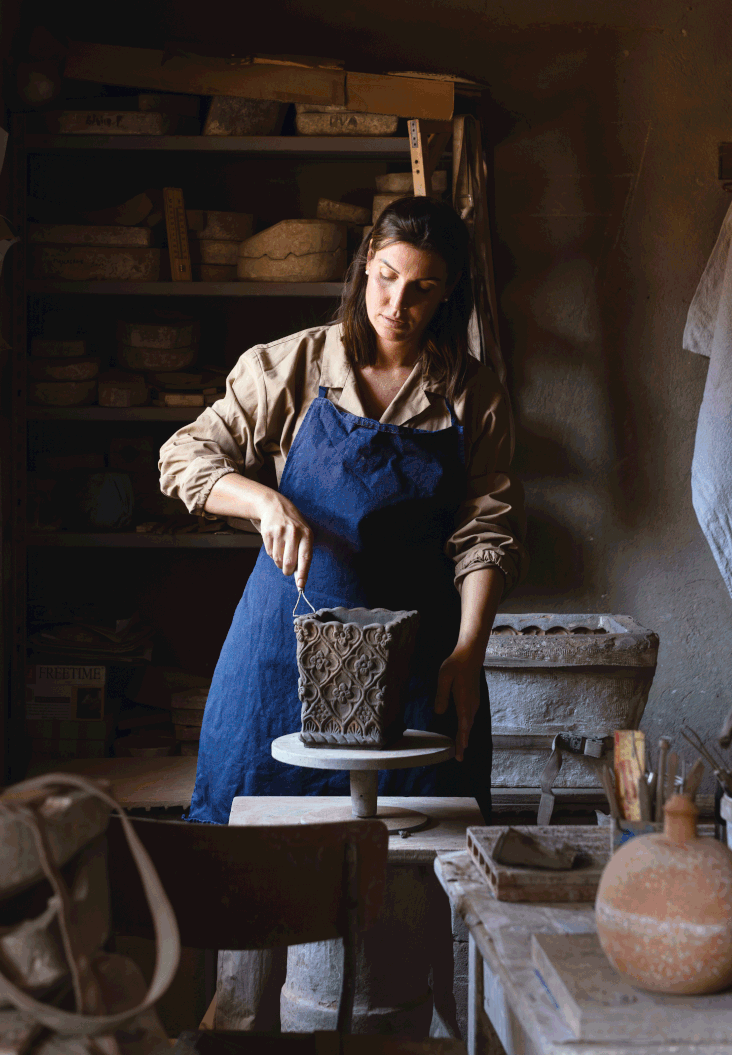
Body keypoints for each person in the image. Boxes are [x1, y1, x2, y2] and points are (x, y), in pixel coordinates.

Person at [158, 196, 527, 827]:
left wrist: (470, 649)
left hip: (418, 669)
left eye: (422, 289)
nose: (396, 305)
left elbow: (486, 533)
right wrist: (262, 501)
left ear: (448, 294)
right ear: (364, 268)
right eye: (385, 278)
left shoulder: (474, 394)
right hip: (284, 659)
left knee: (418, 865)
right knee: (260, 857)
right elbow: (180, 457)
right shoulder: (288, 366)